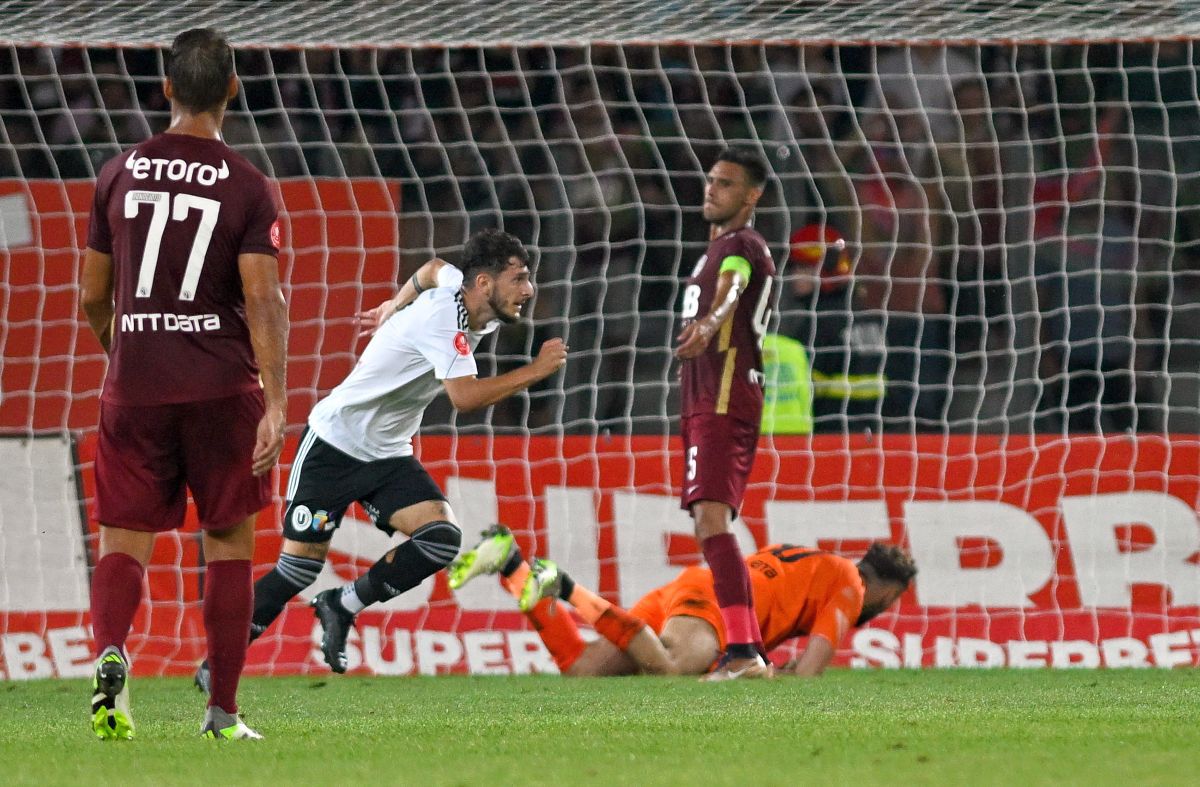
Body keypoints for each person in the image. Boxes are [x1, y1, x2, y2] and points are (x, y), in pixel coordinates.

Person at [193, 228, 567, 688]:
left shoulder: (461, 288)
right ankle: (218, 662)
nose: (529, 290)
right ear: (485, 283)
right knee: (298, 569)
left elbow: (431, 268)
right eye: (520, 279)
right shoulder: (444, 319)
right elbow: (464, 397)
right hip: (334, 444)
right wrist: (537, 370)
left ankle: (341, 604)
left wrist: (394, 303)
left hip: (387, 452)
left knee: (440, 540)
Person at [80, 28, 288, 741]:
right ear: (233, 88)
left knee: (122, 538)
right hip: (222, 388)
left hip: (134, 384)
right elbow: (262, 299)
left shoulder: (117, 172)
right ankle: (222, 712)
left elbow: (90, 297)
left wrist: (128, 349)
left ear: (166, 87)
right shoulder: (249, 185)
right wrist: (278, 397)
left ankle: (111, 652)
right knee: (228, 542)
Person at [449, 525, 916, 677]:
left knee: (582, 667)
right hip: (710, 604)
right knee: (671, 666)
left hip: (694, 589)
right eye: (890, 602)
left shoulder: (822, 564)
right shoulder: (851, 586)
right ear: (886, 589)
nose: (884, 611)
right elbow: (806, 675)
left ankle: (511, 566)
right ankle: (564, 586)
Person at [674, 146, 777, 679]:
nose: (712, 190)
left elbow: (734, 284)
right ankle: (748, 646)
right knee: (706, 521)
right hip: (702, 398)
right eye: (711, 180)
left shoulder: (743, 245)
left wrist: (711, 324)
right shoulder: (711, 250)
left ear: (751, 196)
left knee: (712, 520)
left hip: (724, 397)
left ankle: (742, 653)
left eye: (727, 184)